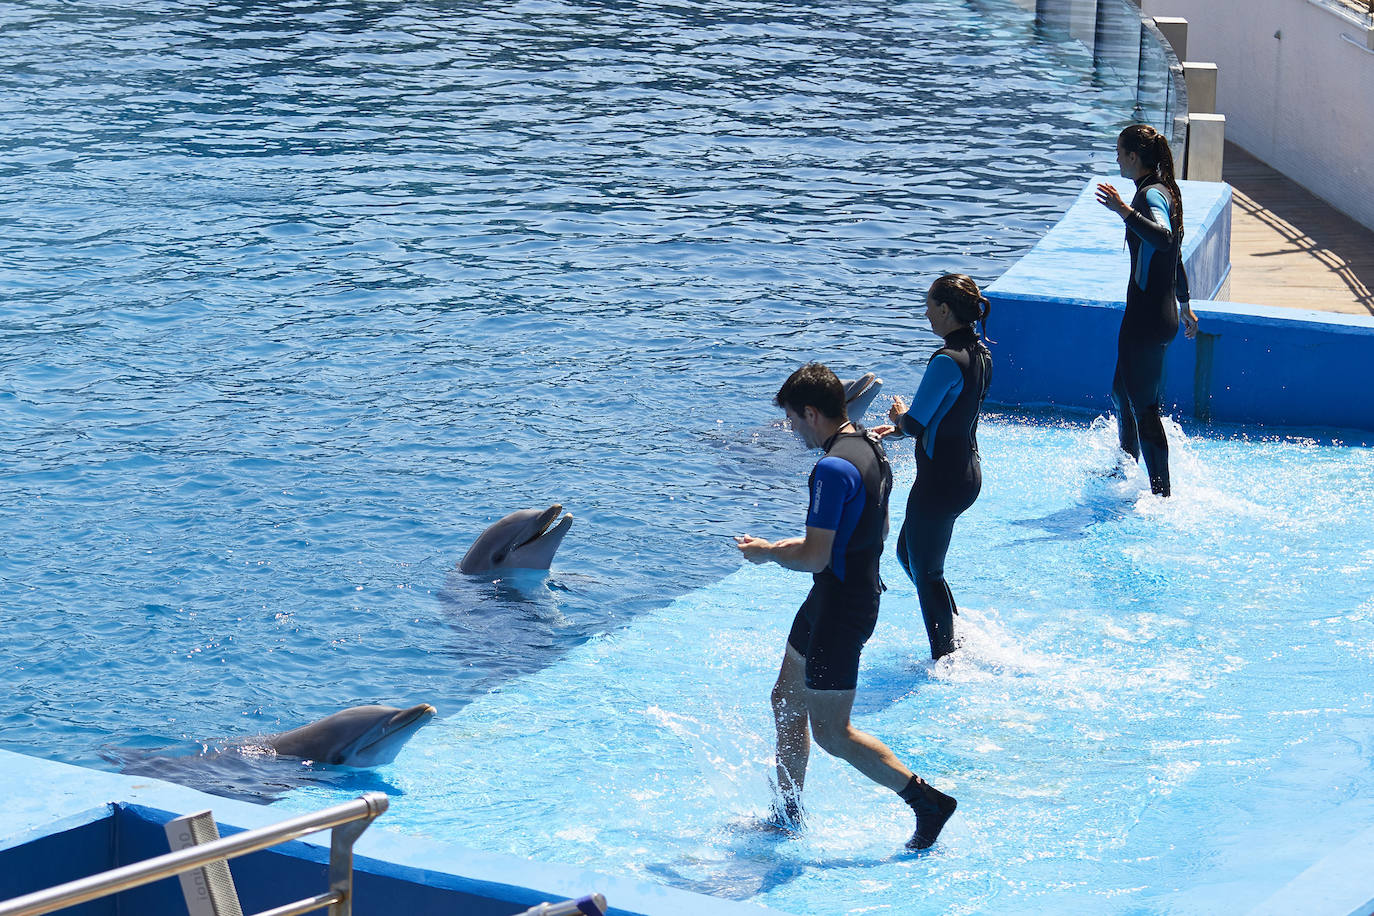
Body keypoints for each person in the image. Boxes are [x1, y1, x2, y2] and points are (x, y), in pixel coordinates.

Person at [736, 362, 958, 851]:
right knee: (785, 700)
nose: (793, 431)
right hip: (833, 594)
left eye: (794, 421)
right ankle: (788, 812)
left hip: (843, 607)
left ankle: (927, 801)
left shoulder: (831, 468)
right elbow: (852, 536)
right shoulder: (868, 445)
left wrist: (767, 552)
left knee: (833, 734)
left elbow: (815, 554)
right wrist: (784, 545)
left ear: (811, 414)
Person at [875, 274, 992, 662]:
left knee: (927, 572)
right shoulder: (980, 355)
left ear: (945, 309)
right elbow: (946, 415)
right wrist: (895, 430)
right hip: (962, 472)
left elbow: (919, 423)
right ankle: (956, 630)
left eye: (929, 305)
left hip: (941, 480)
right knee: (908, 555)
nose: (926, 313)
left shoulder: (946, 360)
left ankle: (947, 659)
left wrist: (900, 415)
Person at [1093, 123, 1200, 497]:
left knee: (1145, 408)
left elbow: (1165, 238)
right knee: (1122, 393)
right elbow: (1175, 258)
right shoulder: (1162, 189)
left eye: (1120, 152)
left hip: (1147, 318)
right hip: (1157, 314)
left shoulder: (1149, 195)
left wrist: (1123, 210)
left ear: (1134, 157)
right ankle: (1123, 471)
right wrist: (1186, 305)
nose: (1117, 158)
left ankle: (1161, 495)